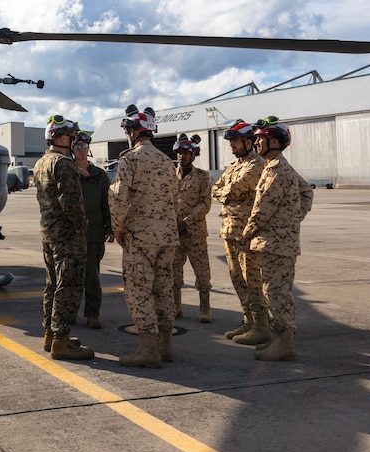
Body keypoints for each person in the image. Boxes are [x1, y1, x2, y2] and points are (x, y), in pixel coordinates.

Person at [109, 105, 179, 367]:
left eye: (128, 130)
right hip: (167, 237)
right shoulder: (165, 161)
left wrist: (117, 227)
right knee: (163, 289)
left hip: (141, 237)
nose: (127, 134)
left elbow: (118, 196)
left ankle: (149, 350)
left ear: (135, 131)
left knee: (139, 290)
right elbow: (175, 198)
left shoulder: (129, 159)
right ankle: (166, 346)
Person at [243, 117, 313, 361]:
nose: (257, 142)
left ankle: (284, 345)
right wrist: (292, 219)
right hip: (277, 241)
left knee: (276, 292)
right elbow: (305, 192)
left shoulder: (276, 170)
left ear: (274, 141)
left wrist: (247, 232)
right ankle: (280, 341)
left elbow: (262, 208)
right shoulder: (274, 166)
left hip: (276, 243)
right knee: (274, 289)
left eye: (261, 138)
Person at [33, 114, 94, 361]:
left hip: (49, 232)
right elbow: (70, 204)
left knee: (52, 285)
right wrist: (83, 227)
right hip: (68, 236)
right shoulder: (64, 163)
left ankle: (51, 333)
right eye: (70, 136)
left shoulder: (41, 163)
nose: (73, 140)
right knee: (68, 287)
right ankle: (61, 340)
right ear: (57, 137)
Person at [211, 120, 269, 345]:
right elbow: (217, 189)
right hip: (229, 231)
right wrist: (226, 192)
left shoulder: (257, 165)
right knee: (237, 279)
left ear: (248, 141)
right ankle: (249, 321)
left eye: (234, 141)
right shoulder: (234, 165)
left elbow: (235, 188)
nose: (231, 145)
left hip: (247, 233)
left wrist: (226, 192)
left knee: (252, 280)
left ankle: (262, 326)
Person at [73, 130, 114, 329]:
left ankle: (92, 313)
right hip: (70, 234)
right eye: (77, 146)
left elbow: (108, 202)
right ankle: (68, 313)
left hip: (93, 233)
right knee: (70, 277)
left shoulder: (99, 175)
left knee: (92, 277)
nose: (81, 150)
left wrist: (110, 227)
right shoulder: (67, 172)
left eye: (84, 146)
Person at [172, 133, 213, 323]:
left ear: (193, 155)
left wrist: (186, 221)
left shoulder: (203, 176)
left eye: (185, 153)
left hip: (194, 233)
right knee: (173, 271)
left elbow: (205, 204)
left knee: (202, 271)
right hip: (174, 233)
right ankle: (176, 306)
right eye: (179, 152)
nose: (181, 156)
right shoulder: (170, 175)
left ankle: (204, 307)